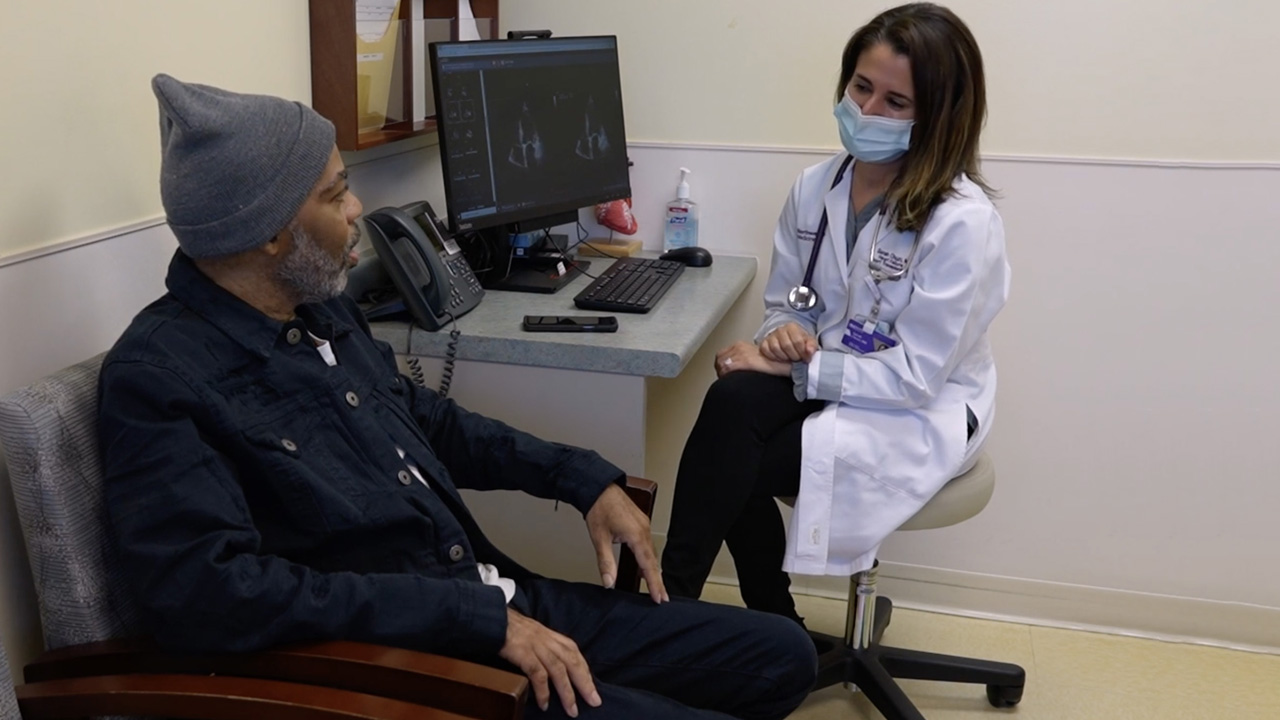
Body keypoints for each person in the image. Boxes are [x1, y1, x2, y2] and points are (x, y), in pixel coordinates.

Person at [98, 74, 816, 720]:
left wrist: (580, 477)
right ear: (269, 235)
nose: (357, 210)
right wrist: (471, 617)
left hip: (492, 598)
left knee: (784, 657)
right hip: (412, 663)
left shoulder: (317, 308)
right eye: (335, 192)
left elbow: (426, 420)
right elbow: (210, 596)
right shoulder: (159, 378)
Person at [661, 2, 1011, 625]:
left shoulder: (963, 222)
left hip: (920, 410)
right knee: (730, 404)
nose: (867, 112)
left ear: (938, 115)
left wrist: (797, 371)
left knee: (733, 459)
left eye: (895, 103)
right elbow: (785, 304)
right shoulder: (815, 188)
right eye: (861, 88)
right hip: (832, 376)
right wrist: (782, 337)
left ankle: (706, 617)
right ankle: (711, 610)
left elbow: (915, 378)